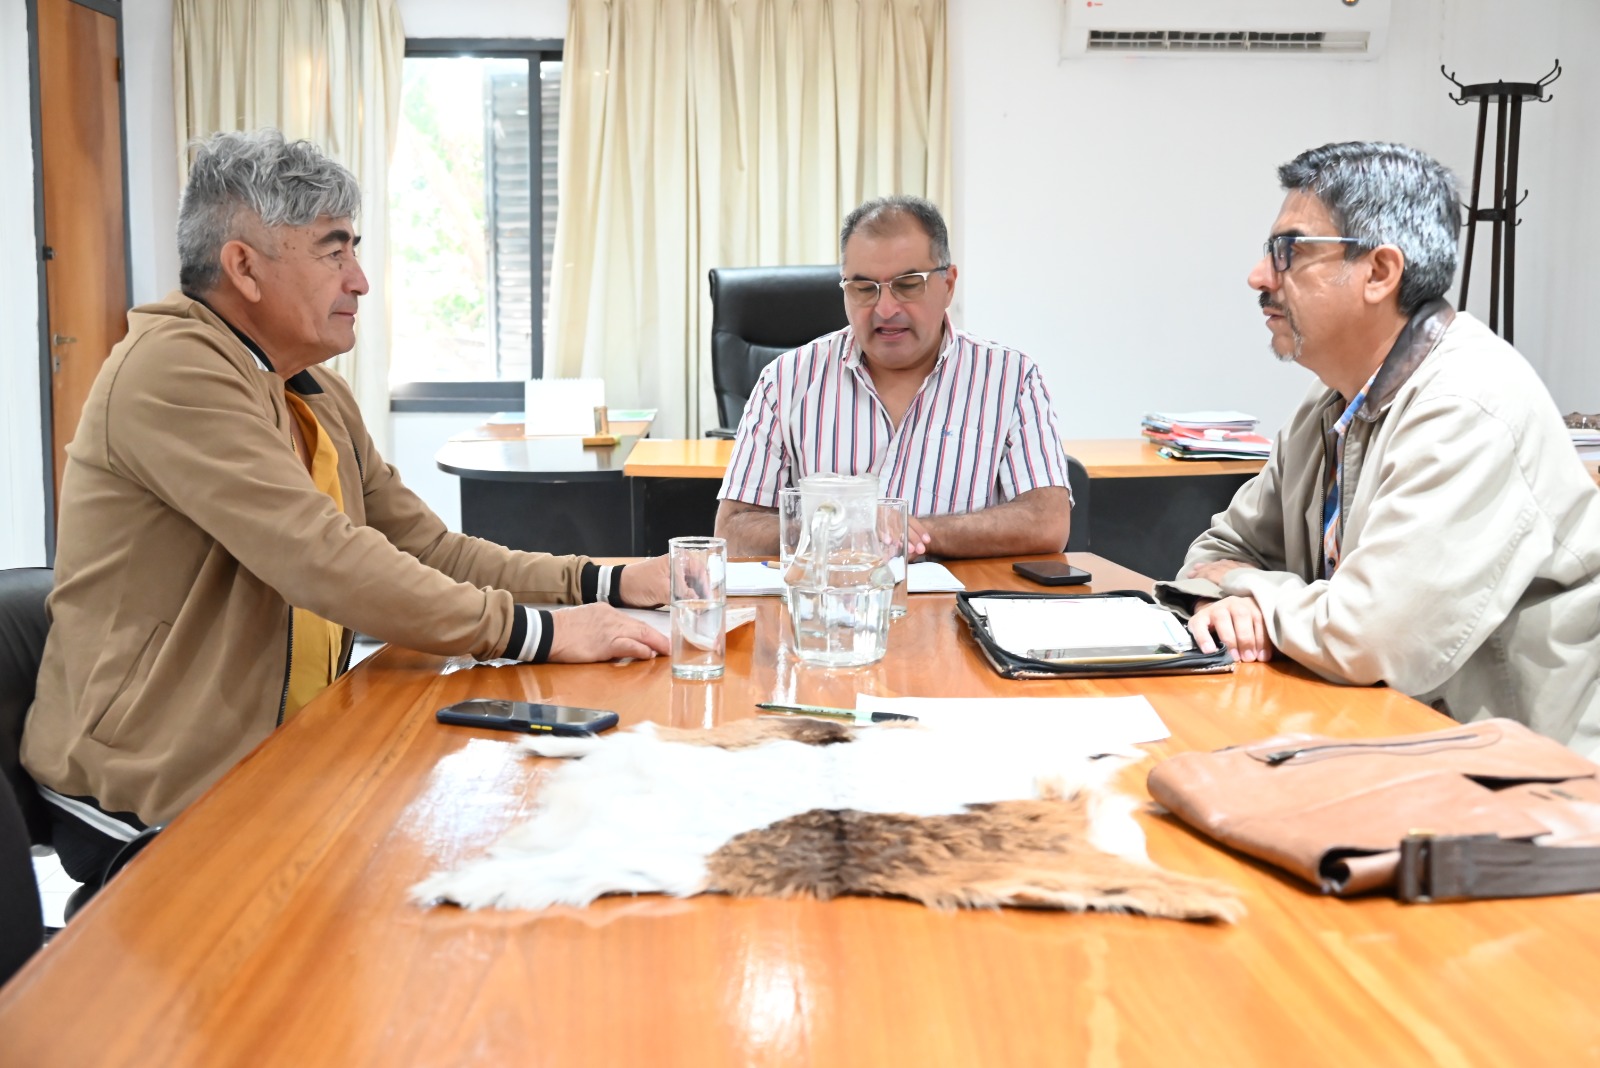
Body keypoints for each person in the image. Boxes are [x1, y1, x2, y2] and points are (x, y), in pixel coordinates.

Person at [21, 130, 671, 889]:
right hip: (152, 780)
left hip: (279, 742)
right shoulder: (173, 371)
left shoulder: (310, 389)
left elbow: (428, 547)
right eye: (334, 252)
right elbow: (322, 558)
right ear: (244, 268)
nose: (360, 280)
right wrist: (539, 632)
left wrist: (605, 582)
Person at [1159, 141, 1600, 753]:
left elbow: (1372, 639)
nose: (1260, 276)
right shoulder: (1333, 404)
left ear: (1379, 272)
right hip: (1387, 742)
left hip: (1524, 787)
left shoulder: (1468, 403)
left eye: (1288, 251)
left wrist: (1250, 589)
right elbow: (1216, 552)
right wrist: (1231, 590)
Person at [714, 195, 1073, 559]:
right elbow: (733, 528)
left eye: (908, 284)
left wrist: (914, 533)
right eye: (864, 288)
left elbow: (1047, 520)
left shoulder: (1009, 379)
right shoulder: (785, 381)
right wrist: (848, 529)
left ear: (948, 284)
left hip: (959, 609)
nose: (885, 309)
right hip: (831, 607)